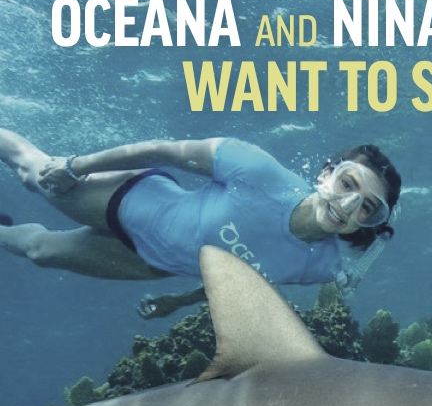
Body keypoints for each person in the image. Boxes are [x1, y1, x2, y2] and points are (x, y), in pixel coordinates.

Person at [0, 130, 401, 317]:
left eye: (366, 207)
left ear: (367, 223)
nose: (347, 205)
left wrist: (178, 302)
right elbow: (166, 151)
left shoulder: (321, 267)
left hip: (152, 265)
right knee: (34, 173)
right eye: (346, 183)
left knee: (40, 252)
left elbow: (236, 276)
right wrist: (75, 166)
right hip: (133, 203)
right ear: (326, 173)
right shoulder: (259, 171)